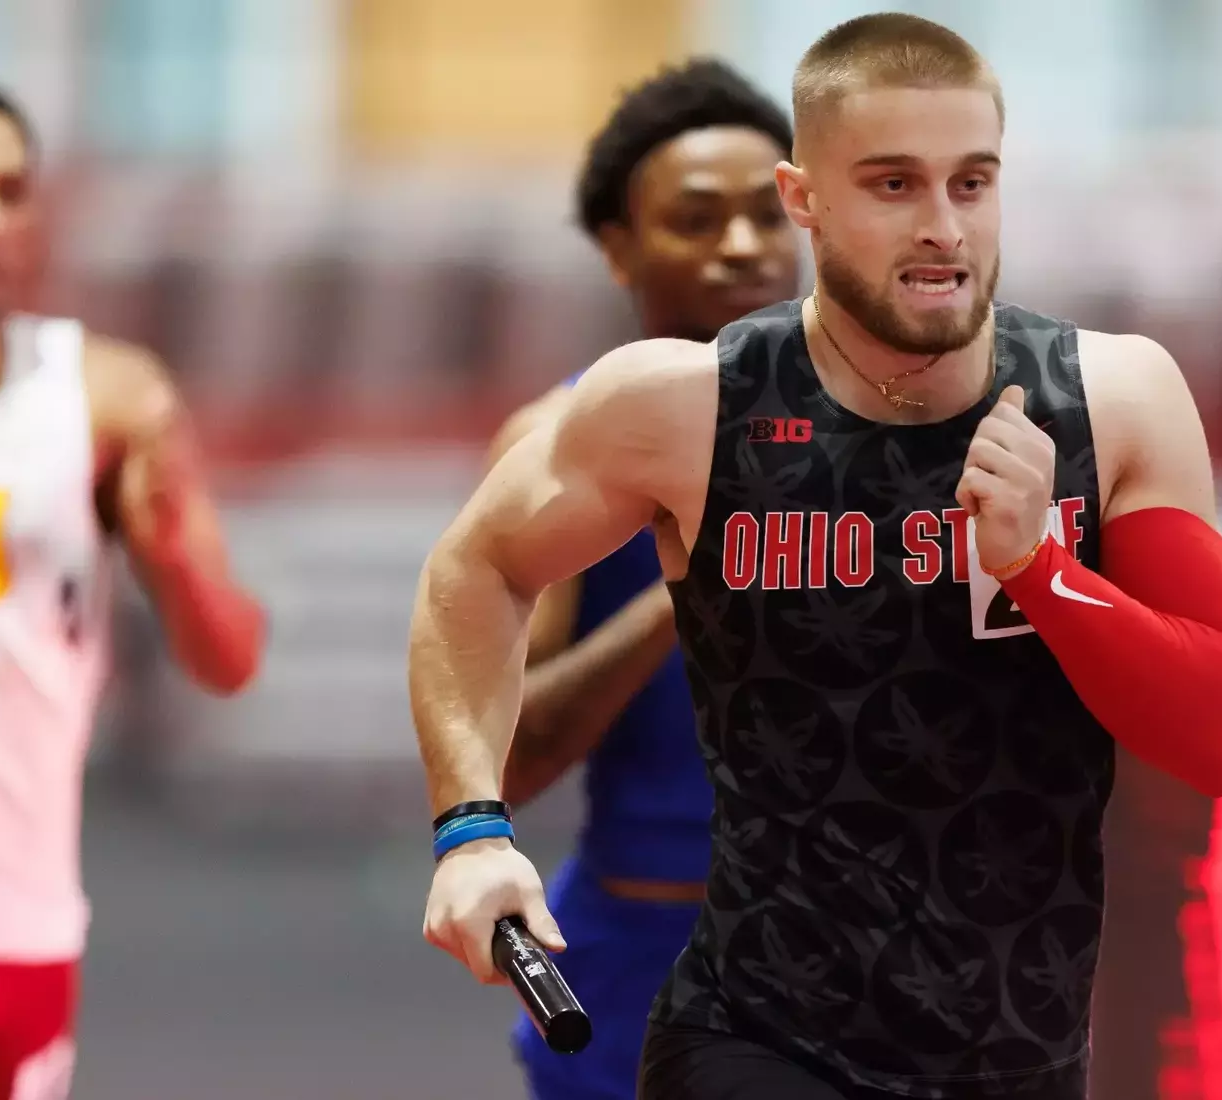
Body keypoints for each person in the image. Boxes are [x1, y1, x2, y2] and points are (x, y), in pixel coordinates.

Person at [410, 13, 1222, 1099]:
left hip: (1018, 1049)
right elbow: (475, 568)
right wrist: (472, 830)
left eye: (972, 182)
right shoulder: (682, 406)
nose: (944, 226)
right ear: (804, 198)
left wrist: (1043, 571)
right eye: (894, 185)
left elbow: (1219, 731)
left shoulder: (1115, 397)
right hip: (755, 1033)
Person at [0, 83, 266, 1100]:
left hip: (19, 914)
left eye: (12, 192)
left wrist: (173, 558)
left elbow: (227, 662)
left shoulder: (110, 399)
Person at [490, 59, 798, 1100]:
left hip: (854, 958)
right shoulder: (558, 447)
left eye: (769, 212)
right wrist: (689, 584)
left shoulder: (891, 440)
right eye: (698, 219)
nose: (744, 246)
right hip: (640, 958)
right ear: (619, 244)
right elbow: (512, 753)